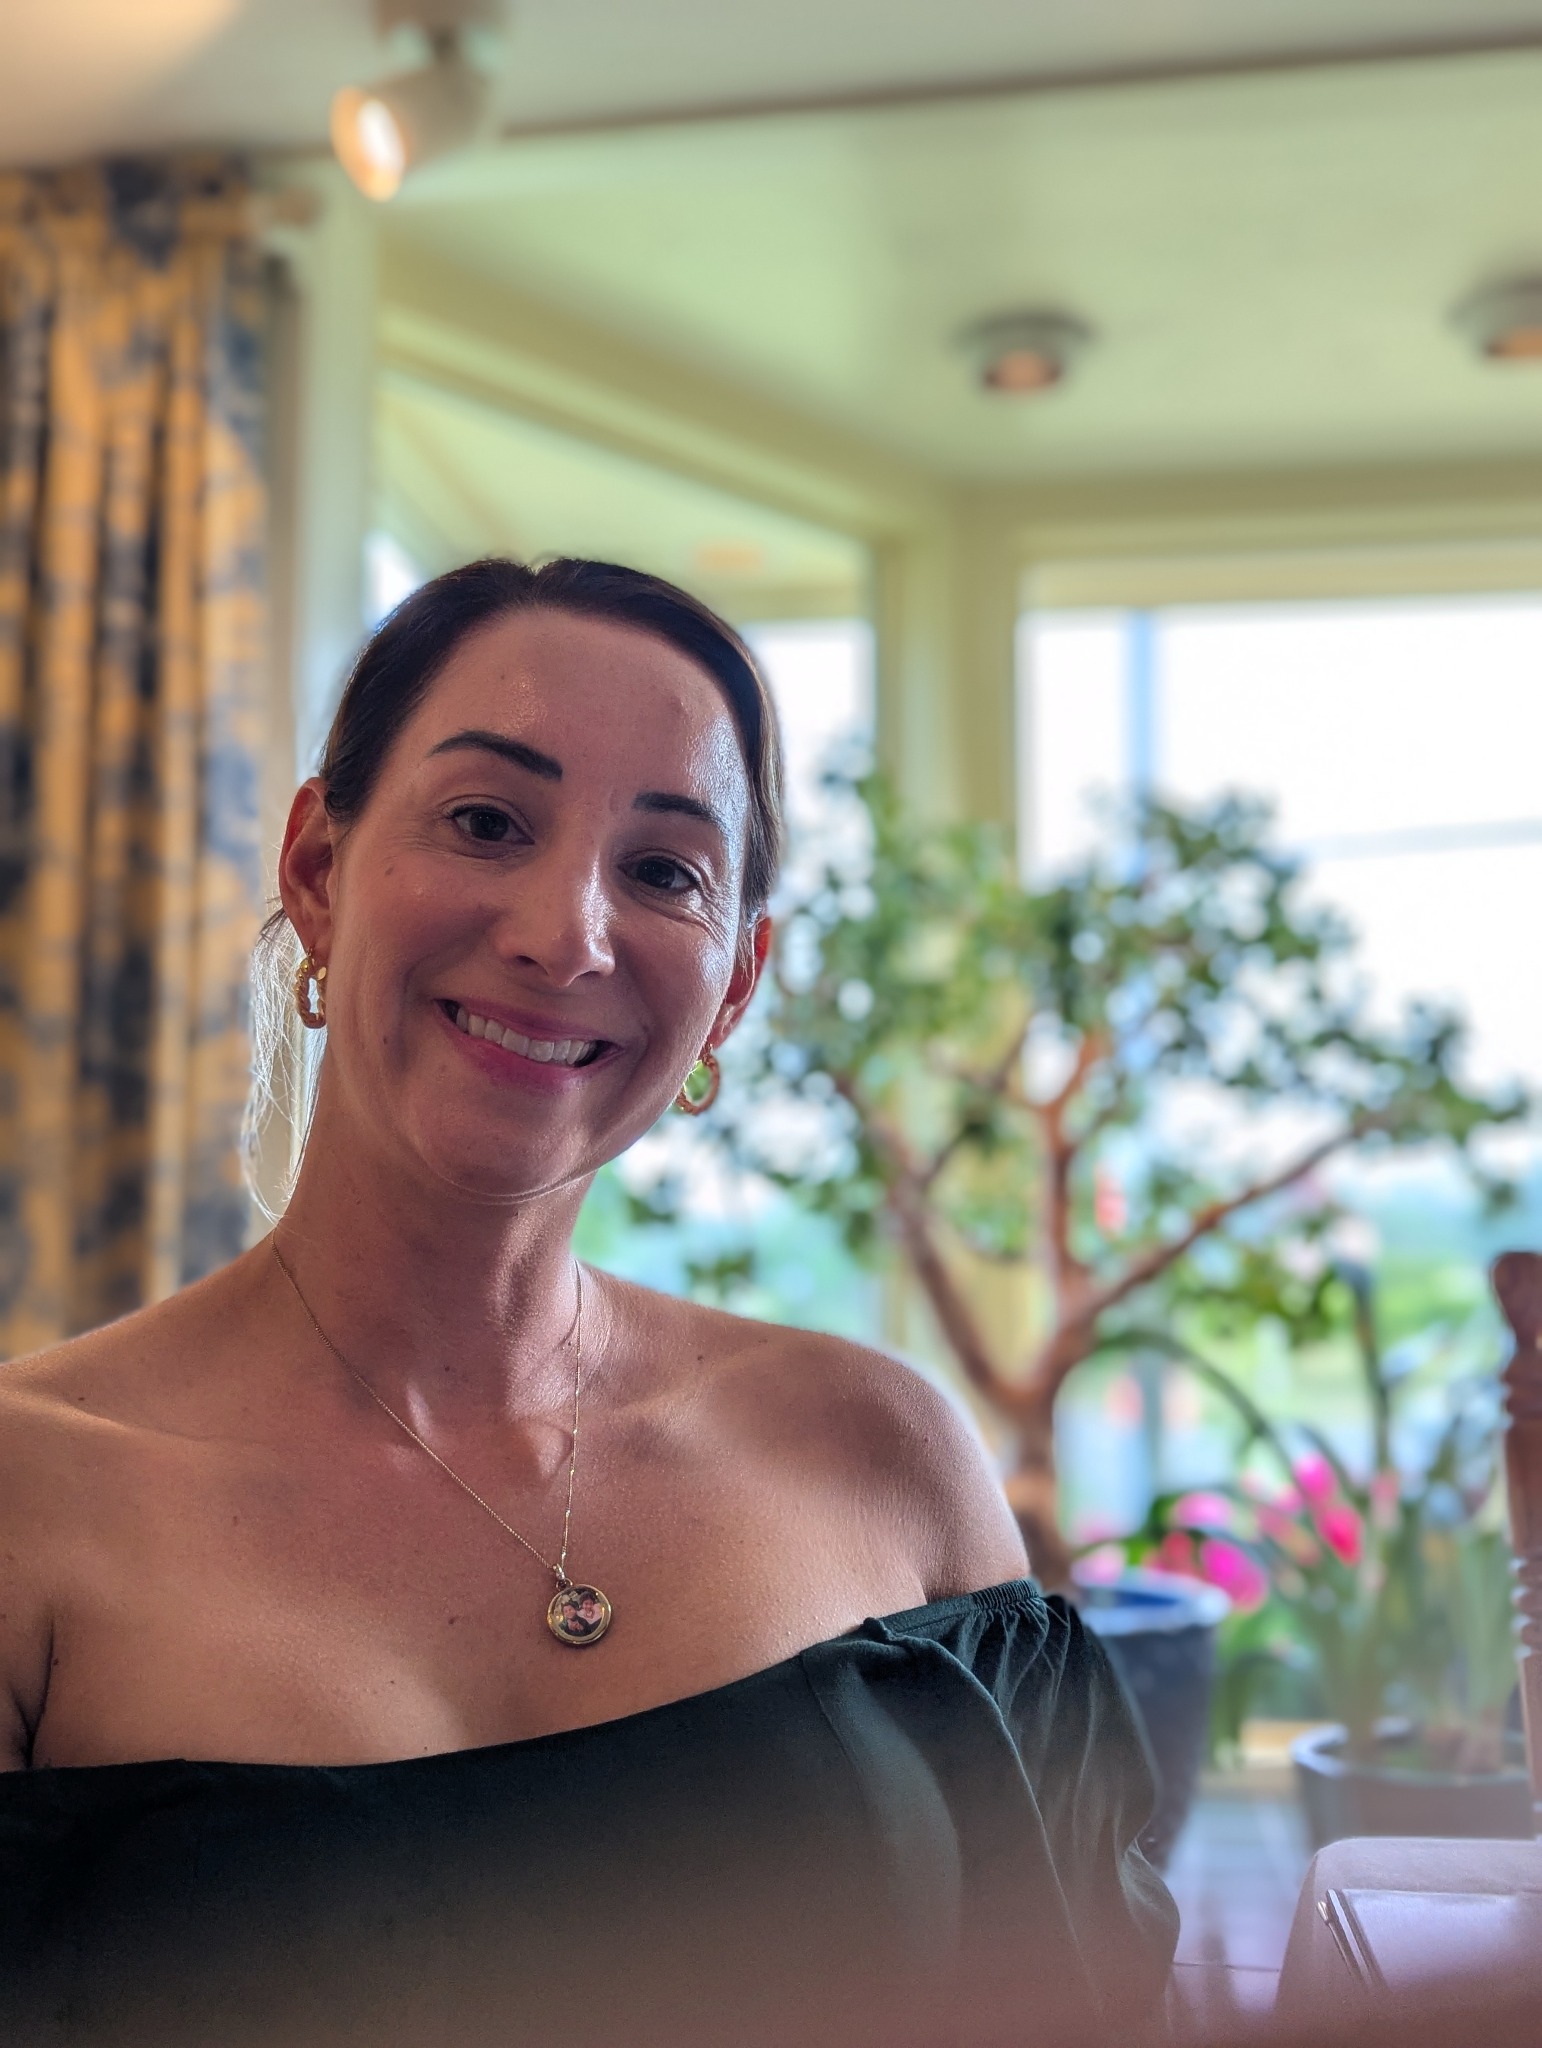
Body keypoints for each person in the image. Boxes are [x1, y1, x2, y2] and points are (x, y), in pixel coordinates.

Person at [0, 558, 1176, 2047]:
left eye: (665, 871)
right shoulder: (31, 1494)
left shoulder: (880, 1452)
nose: (566, 934)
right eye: (486, 822)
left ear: (735, 984)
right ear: (316, 869)